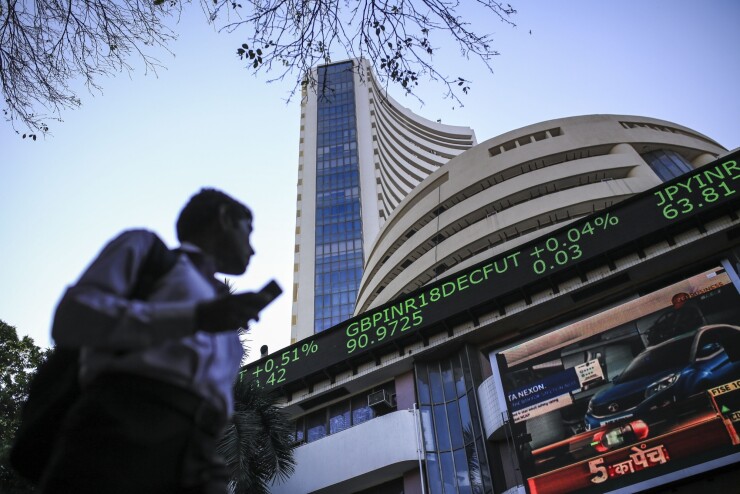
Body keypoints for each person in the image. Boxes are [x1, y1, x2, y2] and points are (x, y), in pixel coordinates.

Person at [39, 189, 271, 494]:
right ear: (225, 218)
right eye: (248, 231)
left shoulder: (224, 310)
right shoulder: (145, 249)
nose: (252, 249)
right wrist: (194, 318)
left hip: (199, 459)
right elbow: (73, 316)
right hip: (120, 435)